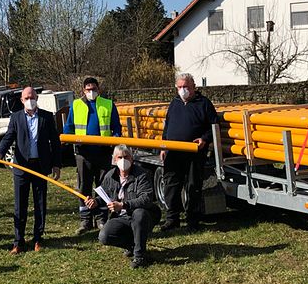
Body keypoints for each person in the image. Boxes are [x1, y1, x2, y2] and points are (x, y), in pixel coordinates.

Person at [0, 86, 62, 254]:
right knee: (20, 205)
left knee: (40, 204)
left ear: (37, 98)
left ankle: (38, 238)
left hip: (40, 166)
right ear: (22, 100)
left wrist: (56, 164)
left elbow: (55, 142)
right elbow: (9, 136)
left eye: (33, 97)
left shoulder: (46, 116)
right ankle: (19, 241)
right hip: (21, 167)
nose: (30, 100)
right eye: (26, 98)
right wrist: (0, 152)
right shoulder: (16, 117)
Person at [84, 144, 161, 268]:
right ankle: (133, 245)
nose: (123, 160)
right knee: (104, 236)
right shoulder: (110, 176)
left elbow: (146, 198)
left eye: (126, 157)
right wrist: (95, 202)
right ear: (114, 160)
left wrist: (124, 205)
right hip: (121, 217)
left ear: (132, 158)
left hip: (143, 215)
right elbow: (104, 196)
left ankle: (139, 257)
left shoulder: (142, 174)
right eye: (120, 157)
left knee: (139, 213)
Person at [159, 73, 217, 231]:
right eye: (180, 87)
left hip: (194, 152)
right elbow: (167, 127)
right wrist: (163, 146)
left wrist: (204, 139)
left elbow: (213, 126)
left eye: (186, 87)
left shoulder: (204, 103)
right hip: (173, 151)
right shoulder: (174, 103)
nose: (183, 90)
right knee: (171, 185)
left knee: (193, 186)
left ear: (193, 87)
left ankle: (193, 220)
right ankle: (172, 218)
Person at [64, 77, 122, 234]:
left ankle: (101, 218)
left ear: (99, 89)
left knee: (103, 186)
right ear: (83, 90)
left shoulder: (108, 104)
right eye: (88, 89)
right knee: (84, 186)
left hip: (103, 152)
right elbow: (69, 126)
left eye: (94, 89)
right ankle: (85, 220)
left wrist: (115, 139)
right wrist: (67, 139)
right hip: (83, 153)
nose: (91, 92)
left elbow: (116, 126)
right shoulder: (76, 105)